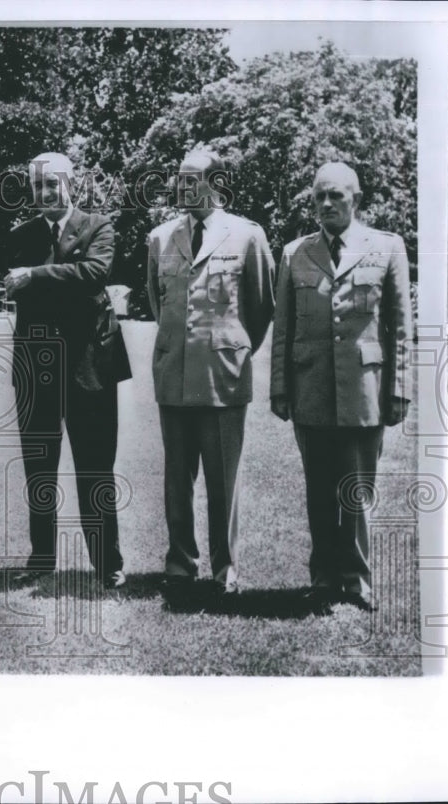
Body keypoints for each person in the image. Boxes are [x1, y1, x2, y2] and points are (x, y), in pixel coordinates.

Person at [270, 162, 412, 610]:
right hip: (310, 387)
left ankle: (357, 583)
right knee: (318, 493)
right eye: (319, 197)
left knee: (358, 492)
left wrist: (400, 390)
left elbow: (402, 328)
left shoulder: (387, 247)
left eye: (336, 196)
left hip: (364, 390)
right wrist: (279, 388)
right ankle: (325, 580)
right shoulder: (295, 252)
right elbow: (283, 328)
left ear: (356, 199)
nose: (326, 204)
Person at [146, 150, 275, 594]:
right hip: (174, 376)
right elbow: (157, 302)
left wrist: (229, 348)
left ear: (214, 182)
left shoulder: (246, 236)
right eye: (178, 179)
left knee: (224, 482)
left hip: (223, 378)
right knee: (176, 482)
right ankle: (181, 563)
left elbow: (259, 309)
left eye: (190, 180)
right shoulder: (161, 238)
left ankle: (226, 568)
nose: (180, 187)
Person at [4, 152, 132, 589]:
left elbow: (95, 273)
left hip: (89, 369)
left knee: (95, 468)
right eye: (38, 185)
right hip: (37, 370)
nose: (45, 192)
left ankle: (107, 562)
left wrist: (36, 277)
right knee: (39, 469)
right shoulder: (21, 235)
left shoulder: (98, 225)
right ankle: (41, 559)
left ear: (71, 184)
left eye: (53, 184)